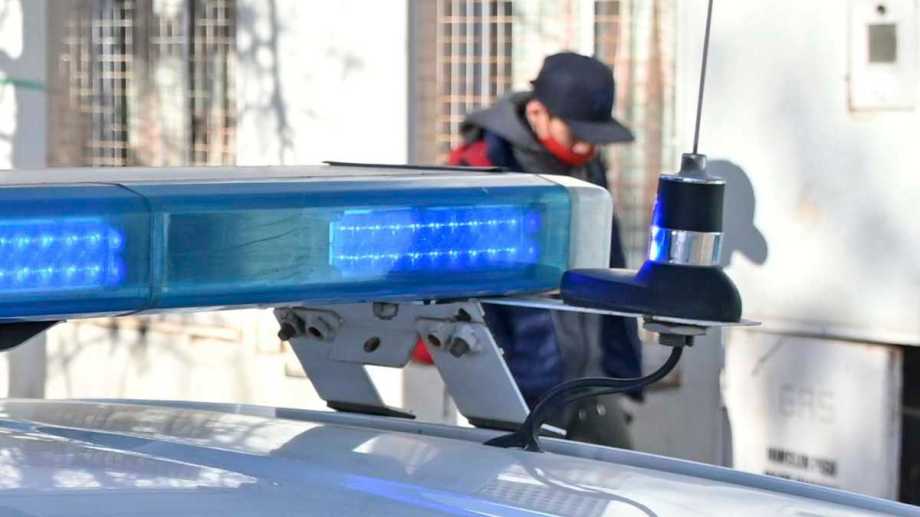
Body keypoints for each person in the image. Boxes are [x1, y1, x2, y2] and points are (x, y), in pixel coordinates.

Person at [447, 52, 642, 448]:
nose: (586, 146)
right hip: (518, 387)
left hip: (592, 380)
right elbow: (461, 288)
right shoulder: (480, 167)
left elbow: (610, 256)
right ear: (537, 112)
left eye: (595, 136)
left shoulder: (588, 166)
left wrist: (623, 365)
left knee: (622, 477)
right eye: (577, 133)